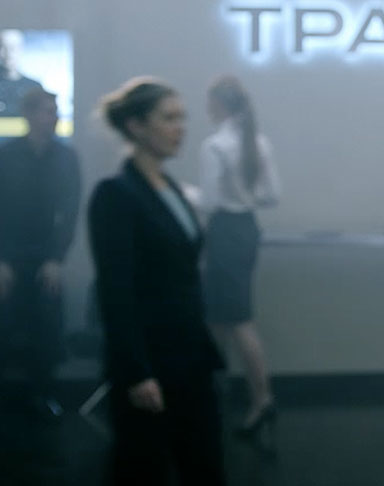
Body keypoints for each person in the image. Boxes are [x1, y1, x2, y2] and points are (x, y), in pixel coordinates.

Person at [87, 78, 225, 485]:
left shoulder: (171, 189)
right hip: (151, 361)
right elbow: (116, 290)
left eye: (182, 118)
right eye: (168, 118)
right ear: (136, 126)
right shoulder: (116, 194)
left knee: (204, 465)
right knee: (142, 469)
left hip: (190, 357)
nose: (180, 128)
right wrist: (135, 371)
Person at [0, 87, 80, 421]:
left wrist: (55, 259)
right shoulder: (3, 157)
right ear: (29, 114)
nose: (54, 118)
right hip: (5, 255)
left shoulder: (66, 158)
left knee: (46, 326)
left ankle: (42, 394)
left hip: (44, 255)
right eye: (48, 111)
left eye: (55, 111)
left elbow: (69, 212)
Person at [198, 75, 280, 443]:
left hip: (224, 232)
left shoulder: (214, 145)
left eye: (209, 102)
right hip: (247, 228)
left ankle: (261, 398)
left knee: (237, 319)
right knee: (220, 317)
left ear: (219, 105)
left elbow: (209, 202)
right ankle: (218, 395)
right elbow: (272, 195)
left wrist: (183, 192)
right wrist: (243, 194)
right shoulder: (258, 142)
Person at [0, 29, 43, 117]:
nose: (8, 53)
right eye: (3, 47)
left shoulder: (34, 86)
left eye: (13, 48)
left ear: (21, 50)